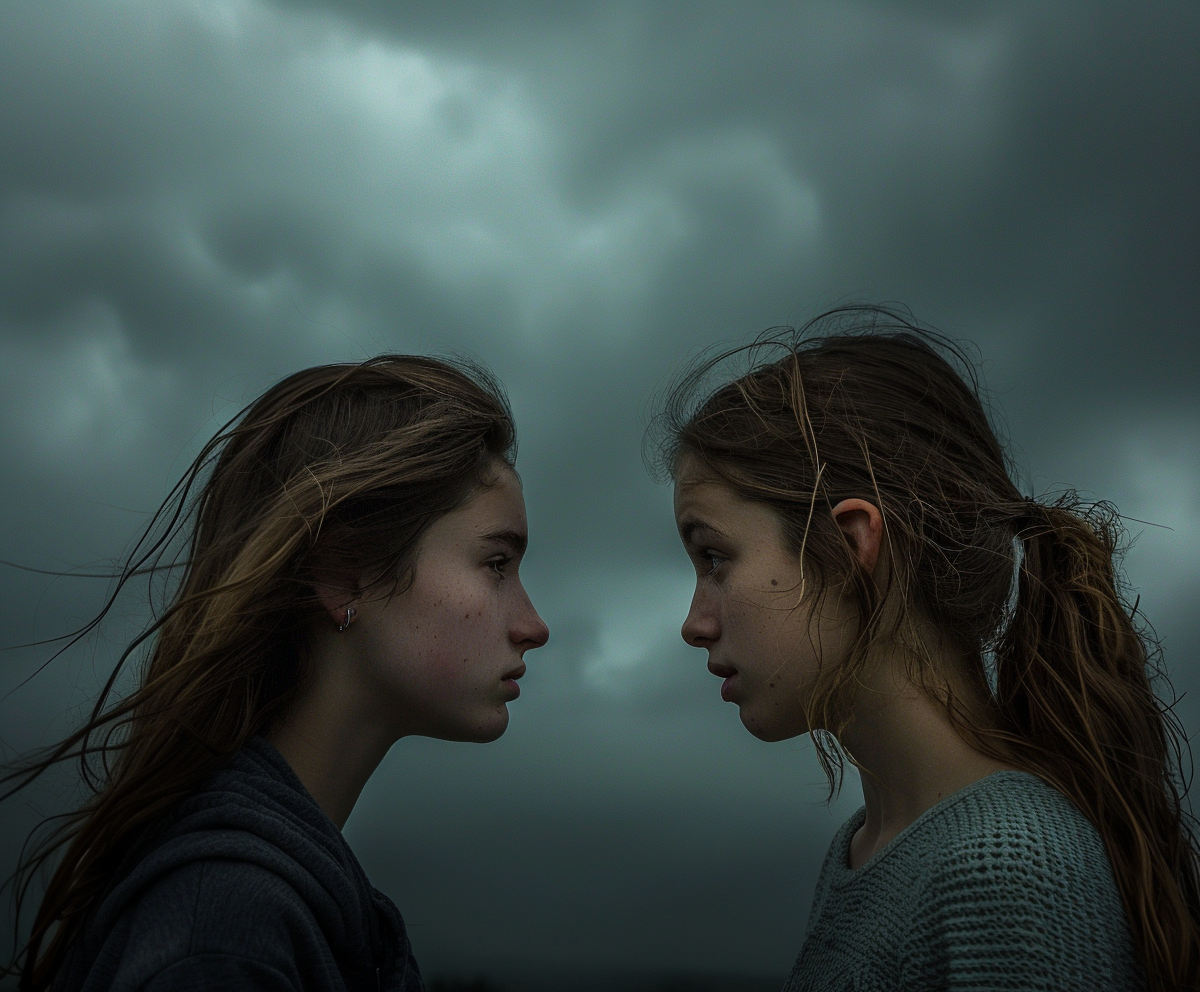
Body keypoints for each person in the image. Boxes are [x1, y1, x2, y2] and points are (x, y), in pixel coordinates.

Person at [657, 305, 1199, 991]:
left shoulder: (1009, 870)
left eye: (714, 557)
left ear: (853, 547)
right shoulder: (861, 850)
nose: (694, 622)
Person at [2, 355, 549, 991]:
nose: (534, 624)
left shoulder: (261, 902)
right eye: (495, 564)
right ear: (345, 574)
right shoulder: (224, 933)